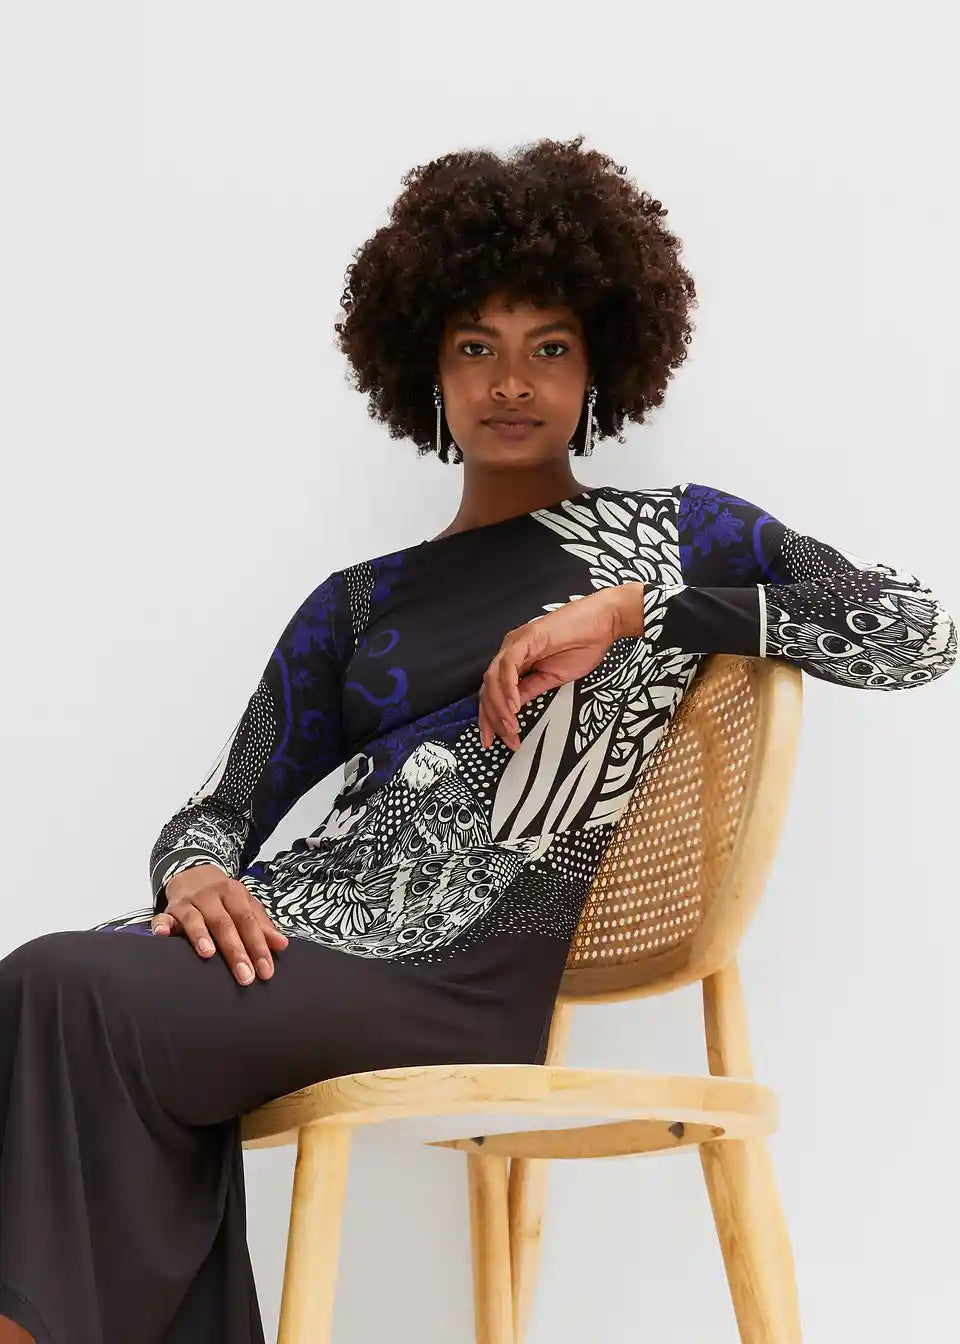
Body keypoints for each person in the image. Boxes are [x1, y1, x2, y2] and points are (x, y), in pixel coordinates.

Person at [1, 134, 956, 1344]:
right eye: (475, 348)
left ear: (601, 365)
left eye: (548, 347)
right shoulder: (357, 603)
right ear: (428, 373)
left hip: (460, 969)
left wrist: (639, 611)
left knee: (58, 989)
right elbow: (223, 804)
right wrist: (193, 874)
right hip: (299, 935)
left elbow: (913, 634)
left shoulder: (679, 532)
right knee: (53, 996)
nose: (512, 382)